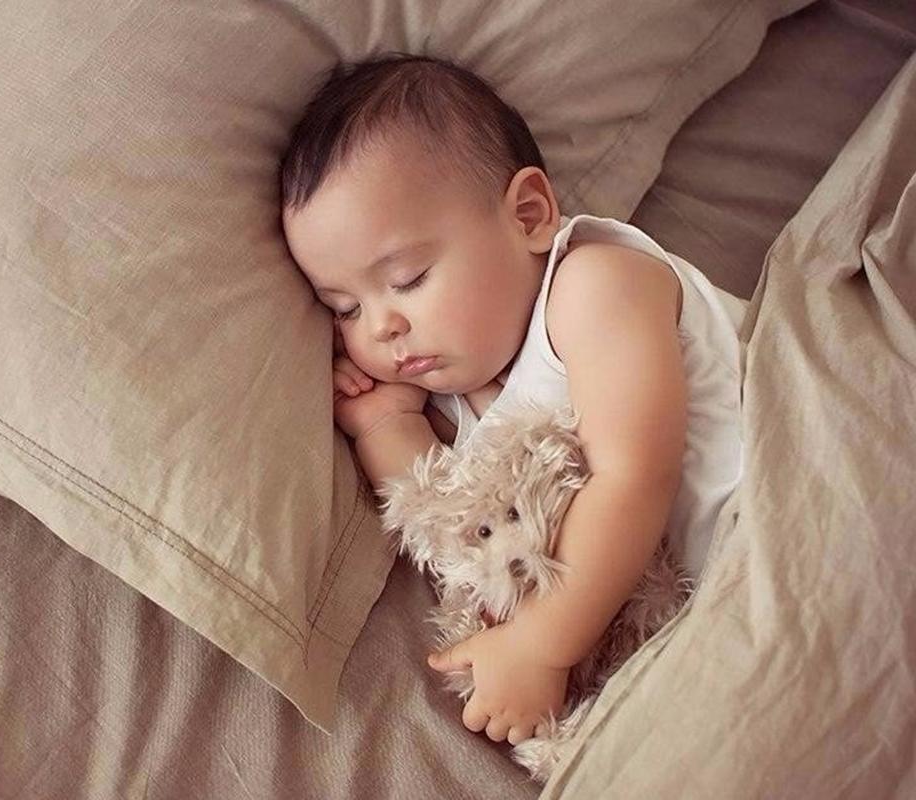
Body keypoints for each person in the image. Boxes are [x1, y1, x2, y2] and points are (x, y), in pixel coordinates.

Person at [278, 54, 746, 748]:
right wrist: (386, 423)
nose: (380, 327)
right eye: (345, 308)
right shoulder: (462, 405)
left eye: (407, 279)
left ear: (528, 216)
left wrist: (541, 646)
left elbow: (635, 472)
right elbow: (455, 527)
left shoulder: (593, 284)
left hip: (777, 505)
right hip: (707, 616)